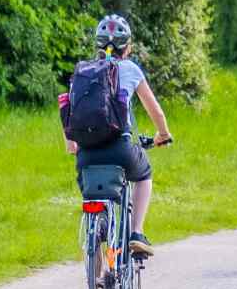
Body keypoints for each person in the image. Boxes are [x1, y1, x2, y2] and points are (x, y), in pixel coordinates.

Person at [62, 14, 171, 260]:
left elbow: (69, 115)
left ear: (97, 46)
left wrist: (73, 145)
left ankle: (97, 282)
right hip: (120, 150)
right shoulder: (131, 69)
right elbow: (156, 111)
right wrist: (163, 134)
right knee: (144, 175)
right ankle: (136, 233)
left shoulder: (83, 72)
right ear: (128, 47)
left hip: (86, 156)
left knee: (94, 215)